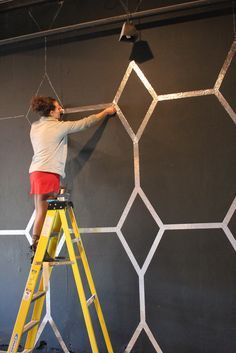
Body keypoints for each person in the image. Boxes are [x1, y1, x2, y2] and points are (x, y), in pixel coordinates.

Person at [29, 96, 116, 259]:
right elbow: (84, 123)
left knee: (40, 209)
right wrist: (106, 112)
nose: (61, 109)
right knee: (43, 211)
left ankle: (37, 250)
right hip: (47, 173)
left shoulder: (35, 127)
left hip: (36, 172)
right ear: (51, 111)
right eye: (57, 107)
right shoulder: (59, 127)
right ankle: (38, 251)